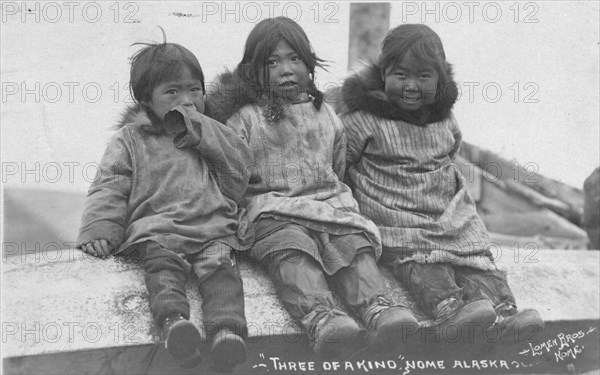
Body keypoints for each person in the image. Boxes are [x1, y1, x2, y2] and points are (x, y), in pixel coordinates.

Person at [205, 17, 419, 359]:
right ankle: (321, 316)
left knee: (353, 246)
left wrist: (336, 201)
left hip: (327, 204)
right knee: (294, 251)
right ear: (253, 70)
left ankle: (378, 308)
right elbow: (232, 174)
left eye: (294, 59)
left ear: (309, 62)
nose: (285, 70)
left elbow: (336, 166)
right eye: (271, 62)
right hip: (272, 210)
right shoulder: (245, 117)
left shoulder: (326, 114)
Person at [338, 24, 544, 344]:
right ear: (382, 74)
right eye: (401, 75)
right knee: (422, 263)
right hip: (397, 216)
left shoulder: (444, 119)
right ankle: (449, 310)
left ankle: (504, 313)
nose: (411, 85)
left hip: (447, 213)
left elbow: (451, 153)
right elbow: (340, 164)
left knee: (476, 261)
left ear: (440, 78)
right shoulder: (363, 119)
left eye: (424, 76)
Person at [77, 40, 251, 371]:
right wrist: (101, 228)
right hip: (159, 228)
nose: (186, 100)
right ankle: (175, 325)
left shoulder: (212, 131)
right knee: (162, 271)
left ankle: (227, 333)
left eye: (194, 90)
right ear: (147, 100)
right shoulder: (131, 139)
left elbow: (239, 171)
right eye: (172, 92)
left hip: (211, 226)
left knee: (223, 276)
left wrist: (205, 133)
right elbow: (110, 183)